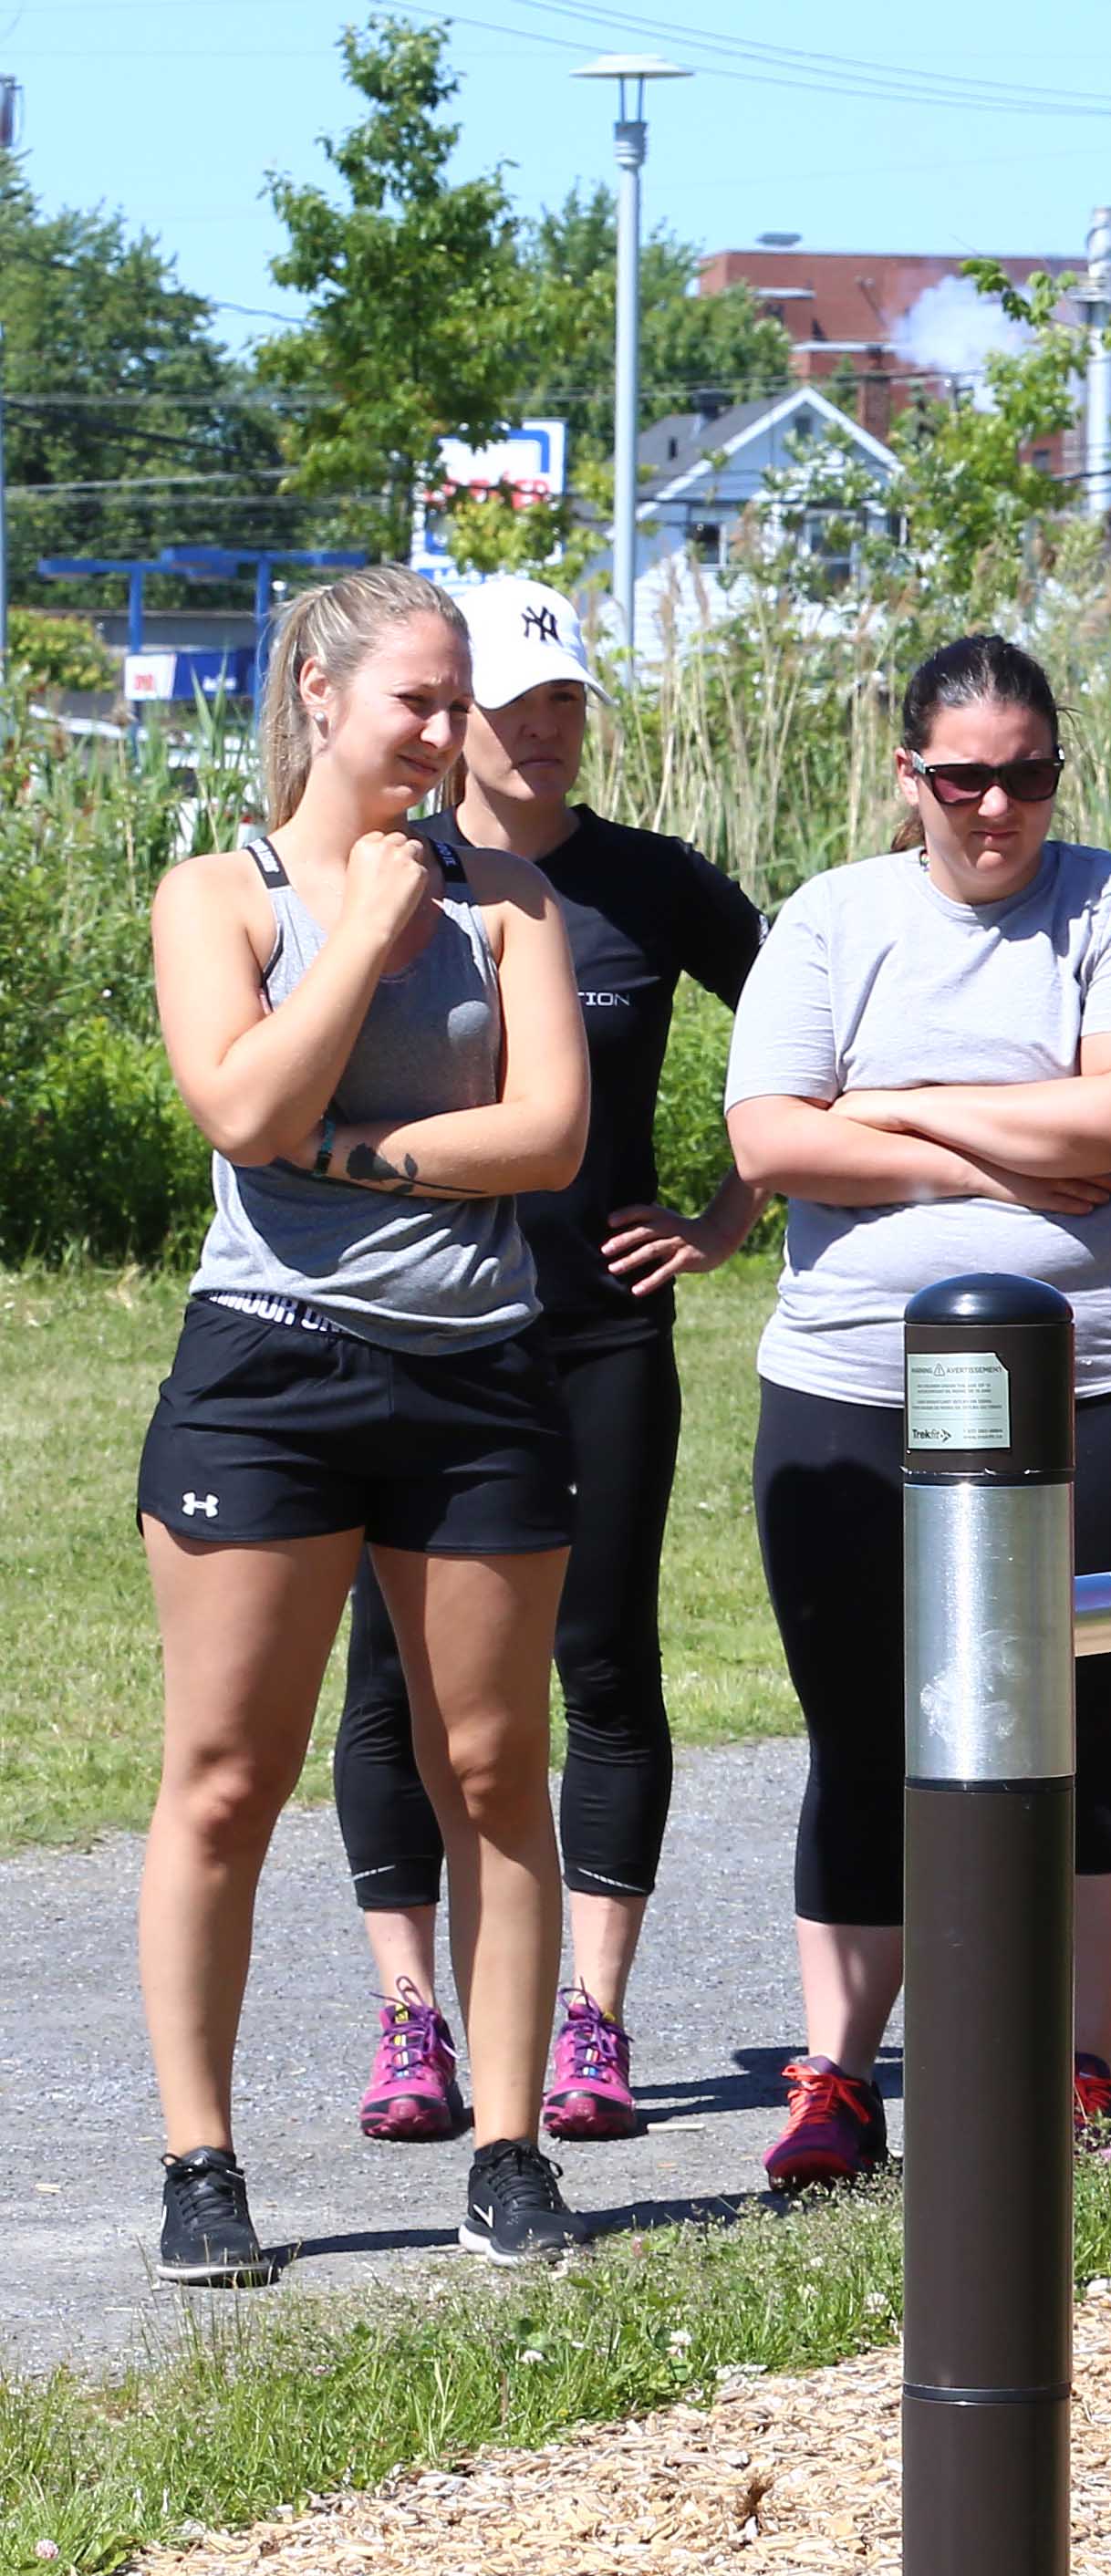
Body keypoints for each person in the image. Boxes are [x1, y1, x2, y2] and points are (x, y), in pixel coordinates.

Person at [135, 562, 595, 2283]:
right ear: (319, 695)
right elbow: (236, 1096)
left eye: (454, 698)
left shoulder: (514, 902)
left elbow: (546, 1134)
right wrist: (376, 940)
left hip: (475, 1373)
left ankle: (507, 2143)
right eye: (413, 696)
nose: (443, 729)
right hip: (269, 1371)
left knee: (490, 1767)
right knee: (228, 1777)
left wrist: (347, 1154)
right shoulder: (220, 894)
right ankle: (201, 2158)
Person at [723, 633, 1111, 2187]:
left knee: (1088, 1721)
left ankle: (1076, 2061)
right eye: (963, 777)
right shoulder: (831, 918)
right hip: (853, 1378)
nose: (996, 807)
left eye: (1027, 774)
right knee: (863, 1726)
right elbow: (767, 1139)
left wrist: (887, 1106)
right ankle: (841, 2074)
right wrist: (994, 1149)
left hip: (1109, 1372)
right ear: (908, 777)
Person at [333, 576, 765, 2152]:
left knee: (600, 1654)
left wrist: (726, 1214)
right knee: (400, 1678)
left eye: (566, 697)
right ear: (456, 721)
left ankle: (593, 2011)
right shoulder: (396, 880)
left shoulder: (648, 884)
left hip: (595, 1326)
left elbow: (801, 1022)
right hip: (421, 1323)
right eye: (514, 702)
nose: (542, 725)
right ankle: (408, 2015)